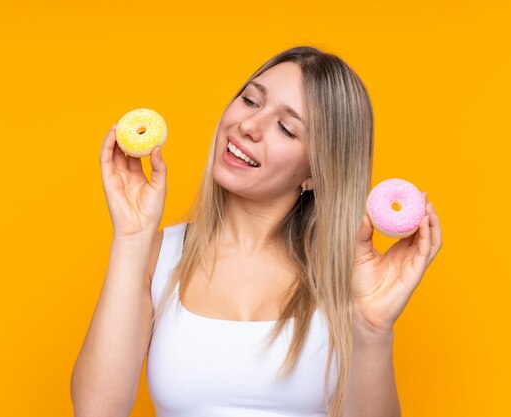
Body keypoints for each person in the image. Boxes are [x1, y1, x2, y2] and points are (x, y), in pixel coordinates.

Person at [70, 45, 443, 417]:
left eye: (285, 127)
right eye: (250, 100)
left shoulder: (353, 278)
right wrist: (132, 238)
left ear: (315, 173)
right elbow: (95, 411)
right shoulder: (158, 254)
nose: (247, 127)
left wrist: (372, 328)